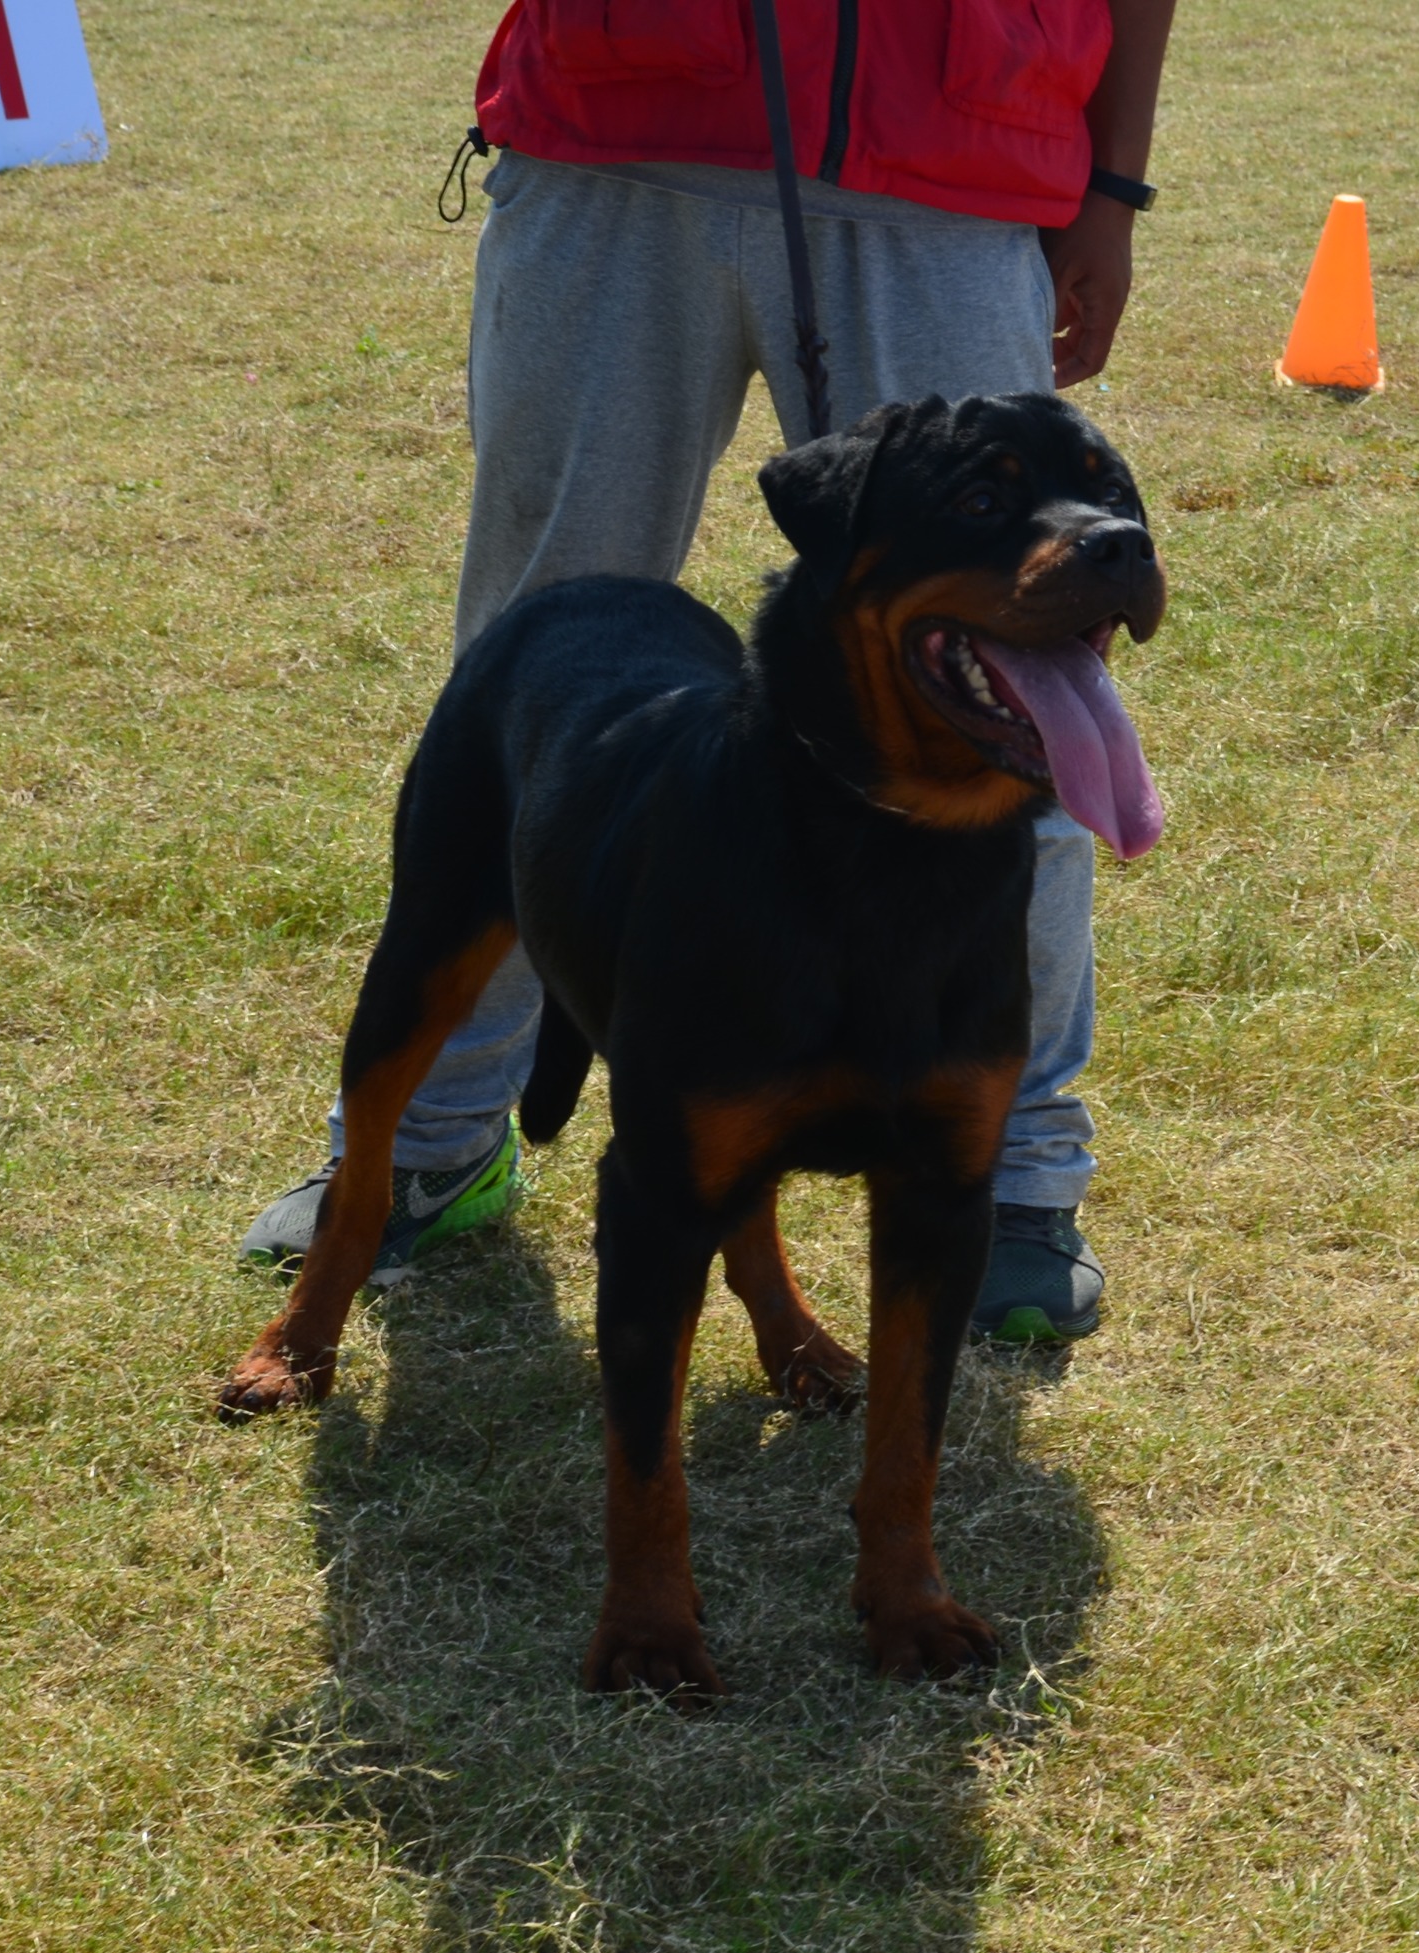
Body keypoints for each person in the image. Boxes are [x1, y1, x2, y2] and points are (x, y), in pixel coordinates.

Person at [239, 0, 1178, 1346]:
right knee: (533, 657)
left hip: (957, 149)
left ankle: (1016, 1175)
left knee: (1012, 678)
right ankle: (438, 1141)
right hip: (615, 125)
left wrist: (1111, 184)